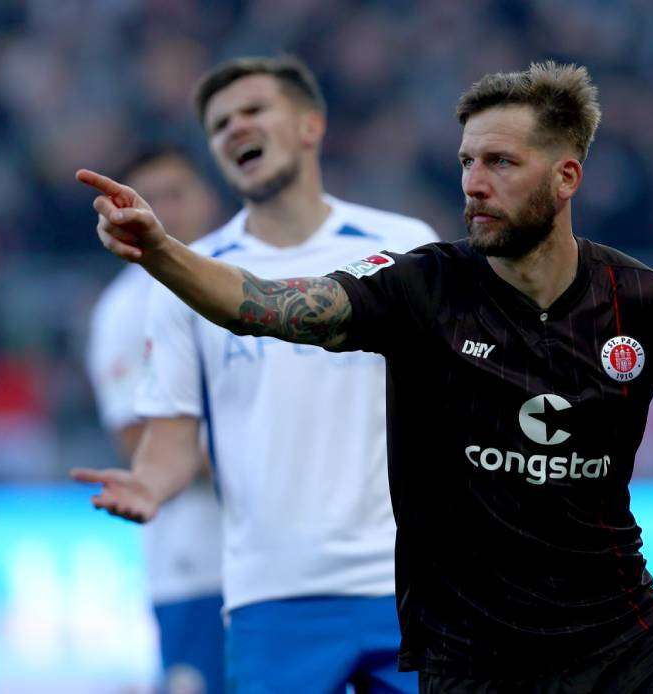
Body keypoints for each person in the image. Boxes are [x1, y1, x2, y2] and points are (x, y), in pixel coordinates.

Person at [77, 61, 653, 693]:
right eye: (467, 161)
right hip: (470, 664)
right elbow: (264, 306)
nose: (474, 181)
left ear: (565, 177)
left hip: (623, 650)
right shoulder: (424, 288)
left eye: (500, 163)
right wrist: (161, 251)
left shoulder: (647, 305)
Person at [73, 55, 437, 693]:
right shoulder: (189, 276)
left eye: (253, 111)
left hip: (406, 585)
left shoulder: (405, 245)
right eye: (219, 125)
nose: (235, 128)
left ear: (309, 125)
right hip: (270, 595)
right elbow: (172, 438)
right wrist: (151, 487)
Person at [84, 146, 226, 693]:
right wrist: (263, 460)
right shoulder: (124, 308)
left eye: (176, 194)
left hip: (281, 555)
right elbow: (135, 438)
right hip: (192, 562)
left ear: (206, 198)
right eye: (149, 197)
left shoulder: (245, 276)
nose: (164, 209)